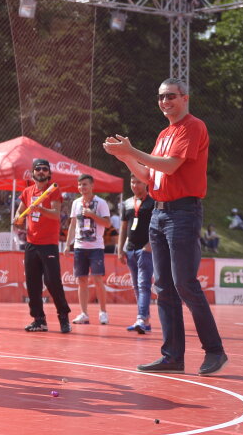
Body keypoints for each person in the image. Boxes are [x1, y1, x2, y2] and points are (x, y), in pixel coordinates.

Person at [104, 77, 228, 376]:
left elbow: (171, 166)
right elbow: (148, 176)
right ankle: (172, 355)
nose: (165, 102)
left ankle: (215, 351)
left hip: (183, 213)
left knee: (185, 283)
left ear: (185, 98)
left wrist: (132, 152)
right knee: (164, 287)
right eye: (161, 97)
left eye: (171, 96)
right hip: (159, 214)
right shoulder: (164, 133)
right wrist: (125, 157)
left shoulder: (193, 127)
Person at [15, 159, 72, 332]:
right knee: (32, 283)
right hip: (31, 243)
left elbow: (56, 214)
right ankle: (39, 319)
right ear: (32, 172)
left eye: (44, 169)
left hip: (49, 244)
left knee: (52, 281)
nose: (41, 172)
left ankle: (63, 316)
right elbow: (20, 212)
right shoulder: (27, 191)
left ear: (49, 173)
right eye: (37, 169)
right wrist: (18, 218)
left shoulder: (53, 191)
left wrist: (39, 209)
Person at [66, 173, 112, 325]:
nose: (82, 187)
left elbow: (107, 224)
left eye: (85, 184)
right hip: (80, 247)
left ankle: (103, 312)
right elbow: (73, 225)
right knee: (82, 280)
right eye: (79, 185)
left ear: (92, 186)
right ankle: (84, 313)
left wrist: (92, 215)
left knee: (98, 279)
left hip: (96, 247)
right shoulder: (76, 203)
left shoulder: (101, 203)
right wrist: (68, 244)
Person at [117, 173, 154, 334]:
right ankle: (145, 320)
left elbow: (158, 226)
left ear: (145, 183)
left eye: (138, 182)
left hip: (145, 250)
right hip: (129, 249)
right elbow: (123, 228)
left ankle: (141, 317)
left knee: (143, 284)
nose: (135, 185)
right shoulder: (126, 203)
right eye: (132, 182)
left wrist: (149, 245)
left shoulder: (153, 202)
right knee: (136, 286)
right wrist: (120, 250)